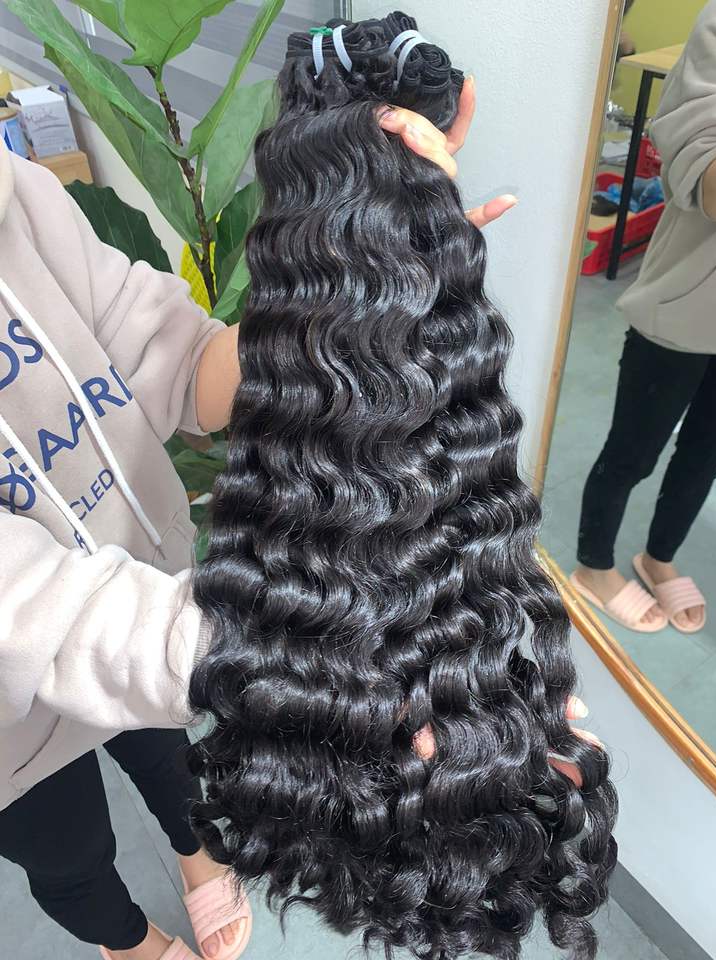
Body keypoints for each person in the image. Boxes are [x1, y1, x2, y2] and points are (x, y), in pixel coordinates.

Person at [0, 64, 525, 960]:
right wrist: (293, 652)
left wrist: (351, 301)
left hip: (155, 595)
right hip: (9, 725)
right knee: (67, 850)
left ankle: (198, 857)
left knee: (174, 770)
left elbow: (173, 360)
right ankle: (130, 944)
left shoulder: (18, 196)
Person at [572, 0, 716, 634]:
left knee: (706, 454)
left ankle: (659, 557)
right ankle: (592, 565)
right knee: (633, 450)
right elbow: (708, 181)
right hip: (687, 300)